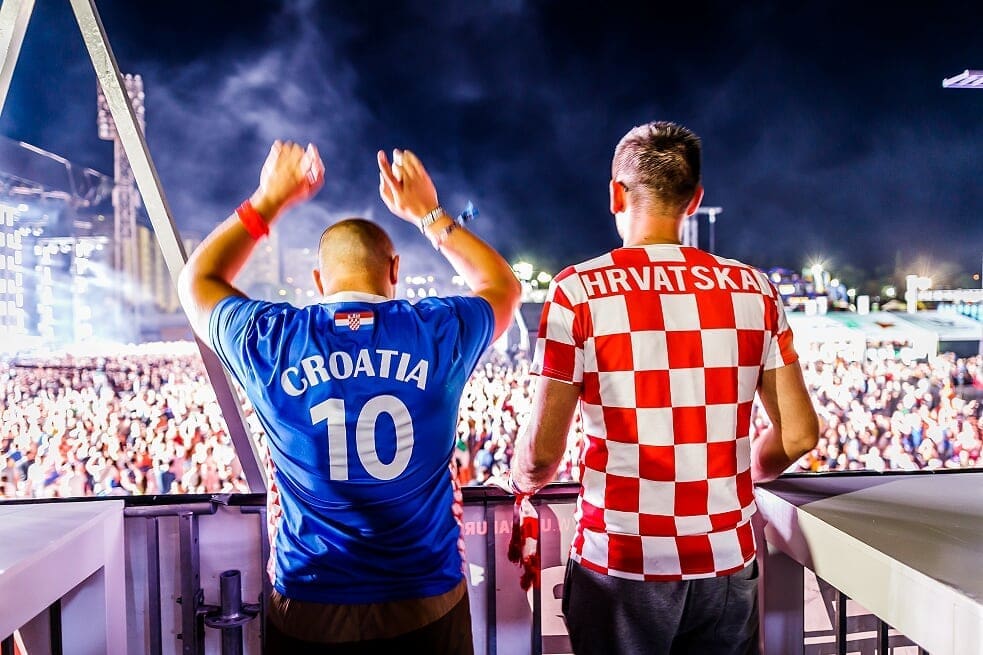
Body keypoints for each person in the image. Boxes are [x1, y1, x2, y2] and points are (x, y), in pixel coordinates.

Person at [178, 140, 520, 654]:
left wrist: (268, 200)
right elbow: (502, 286)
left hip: (310, 597)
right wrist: (429, 215)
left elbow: (197, 281)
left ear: (319, 280)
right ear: (395, 270)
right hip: (424, 592)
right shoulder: (438, 331)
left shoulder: (273, 339)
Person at [507, 121, 819, 654]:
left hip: (621, 561)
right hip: (725, 560)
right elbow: (799, 436)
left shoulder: (578, 291)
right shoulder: (756, 290)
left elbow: (540, 456)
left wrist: (518, 480)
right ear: (693, 201)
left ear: (616, 194)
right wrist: (740, 476)